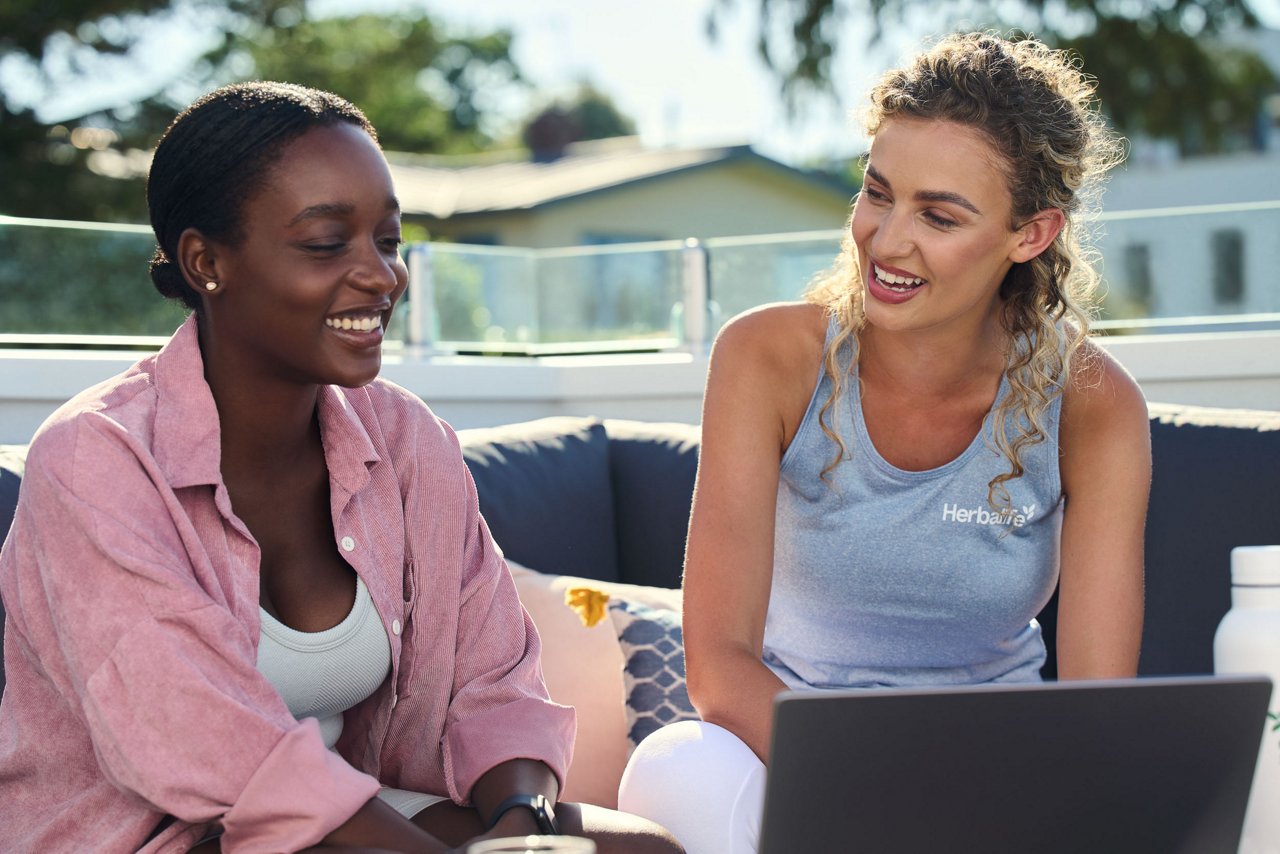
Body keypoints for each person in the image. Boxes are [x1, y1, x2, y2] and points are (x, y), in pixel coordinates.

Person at [0, 82, 681, 854]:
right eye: (328, 243)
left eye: (387, 241)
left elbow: (492, 678)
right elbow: (212, 746)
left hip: (344, 816)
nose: (382, 276)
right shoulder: (95, 458)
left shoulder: (405, 439)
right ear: (206, 262)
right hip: (157, 834)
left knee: (641, 850)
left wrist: (524, 827)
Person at [617, 32, 1150, 854]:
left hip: (995, 780)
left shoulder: (1093, 404)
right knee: (675, 768)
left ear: (1032, 234)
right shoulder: (766, 358)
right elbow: (718, 667)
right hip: (797, 759)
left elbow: (1096, 708)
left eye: (939, 215)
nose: (887, 239)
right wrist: (882, 791)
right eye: (877, 193)